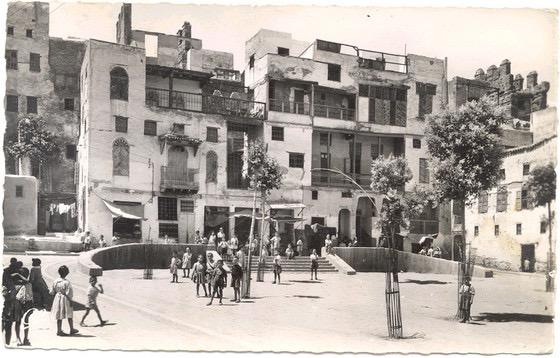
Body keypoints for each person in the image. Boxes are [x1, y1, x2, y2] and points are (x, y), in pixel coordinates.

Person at [50, 265, 79, 336]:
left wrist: (57, 294)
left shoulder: (56, 281)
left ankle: (59, 330)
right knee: (69, 313)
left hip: (57, 298)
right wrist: (71, 301)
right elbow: (69, 293)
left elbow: (51, 292)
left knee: (59, 314)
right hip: (65, 298)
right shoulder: (67, 282)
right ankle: (71, 329)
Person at [12, 265, 33, 346]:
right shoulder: (16, 284)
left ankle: (25, 339)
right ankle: (18, 338)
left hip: (28, 303)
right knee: (18, 322)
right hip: (19, 304)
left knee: (25, 322)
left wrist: (18, 274)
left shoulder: (28, 283)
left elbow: (26, 280)